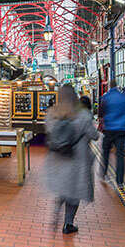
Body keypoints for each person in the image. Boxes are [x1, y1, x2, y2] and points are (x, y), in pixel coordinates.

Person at [44, 84, 99, 234]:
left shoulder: (51, 114)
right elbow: (93, 135)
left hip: (58, 158)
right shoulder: (84, 115)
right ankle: (68, 223)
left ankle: (56, 210)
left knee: (64, 187)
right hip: (77, 158)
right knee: (74, 191)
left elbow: (50, 133)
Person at [99, 79, 125, 188]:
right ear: (117, 86)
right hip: (122, 130)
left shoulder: (106, 98)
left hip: (109, 130)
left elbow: (101, 114)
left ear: (109, 86)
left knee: (105, 152)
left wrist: (103, 124)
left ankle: (103, 173)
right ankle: (119, 182)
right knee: (120, 155)